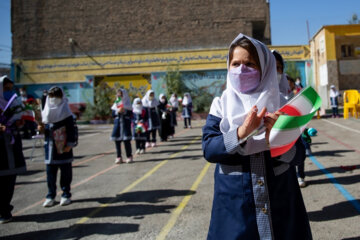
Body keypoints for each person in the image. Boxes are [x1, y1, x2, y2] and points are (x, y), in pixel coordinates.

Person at [202, 33, 312, 239]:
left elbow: (299, 155)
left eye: (250, 64)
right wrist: (241, 132)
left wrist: (277, 140)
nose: (241, 70)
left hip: (281, 204)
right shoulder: (220, 105)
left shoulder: (283, 105)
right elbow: (209, 149)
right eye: (235, 63)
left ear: (265, 67)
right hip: (236, 210)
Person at [41, 86, 76, 207]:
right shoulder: (45, 111)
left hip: (63, 147)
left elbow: (72, 130)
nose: (53, 99)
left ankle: (66, 194)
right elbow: (45, 128)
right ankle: (51, 195)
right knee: (50, 172)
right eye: (51, 96)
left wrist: (70, 144)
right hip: (50, 147)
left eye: (56, 96)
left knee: (65, 171)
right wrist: (41, 129)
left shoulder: (66, 111)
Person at [0, 76, 26, 223]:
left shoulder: (14, 105)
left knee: (9, 180)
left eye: (11, 89)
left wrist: (19, 122)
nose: (9, 92)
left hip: (11, 146)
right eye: (6, 89)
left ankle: (5, 210)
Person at [111, 89, 133, 164]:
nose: (119, 96)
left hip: (125, 124)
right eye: (118, 95)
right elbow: (113, 114)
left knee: (126, 141)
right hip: (118, 124)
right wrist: (117, 111)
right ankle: (118, 156)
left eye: (121, 95)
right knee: (117, 141)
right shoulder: (117, 102)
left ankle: (129, 156)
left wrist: (124, 111)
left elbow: (130, 113)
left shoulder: (127, 103)